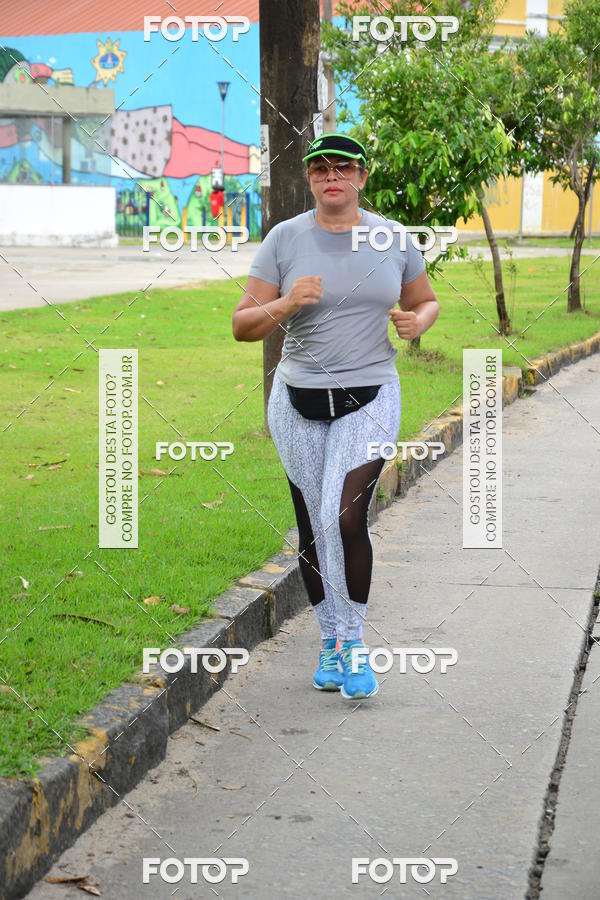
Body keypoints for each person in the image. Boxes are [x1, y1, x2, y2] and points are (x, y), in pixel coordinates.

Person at [232, 132, 439, 699]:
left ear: (361, 177)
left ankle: (353, 644)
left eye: (342, 168)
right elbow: (242, 325)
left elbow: (425, 299)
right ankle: (328, 642)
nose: (331, 177)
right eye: (320, 168)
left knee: (342, 517)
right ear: (310, 179)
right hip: (297, 403)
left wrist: (420, 321)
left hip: (371, 396)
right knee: (310, 523)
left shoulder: (393, 238)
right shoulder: (284, 239)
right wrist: (285, 303)